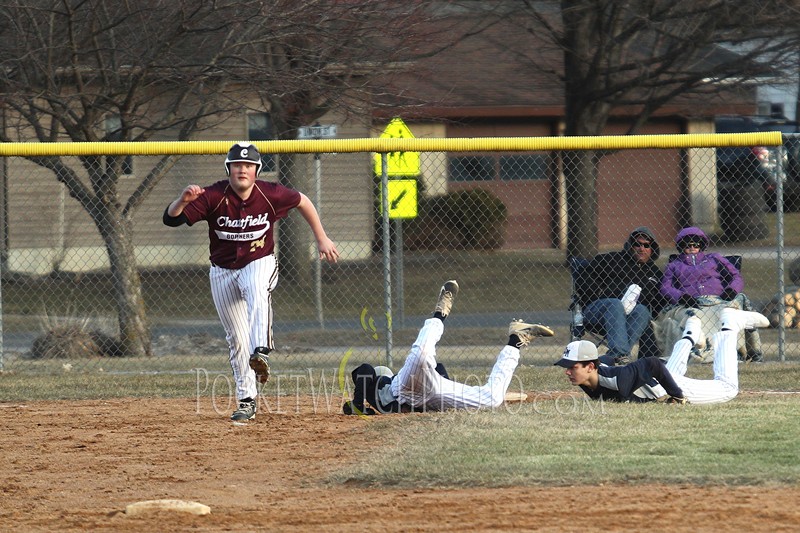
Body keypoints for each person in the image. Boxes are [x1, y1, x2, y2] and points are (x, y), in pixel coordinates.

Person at [163, 142, 340, 421]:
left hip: (260, 261)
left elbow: (303, 200)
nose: (242, 169)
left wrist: (321, 237)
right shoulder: (213, 195)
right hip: (222, 270)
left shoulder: (271, 193)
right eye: (237, 165)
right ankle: (247, 400)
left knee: (256, 288)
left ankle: (262, 350)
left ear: (256, 170)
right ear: (229, 169)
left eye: (248, 165)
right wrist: (182, 201)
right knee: (236, 340)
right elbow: (170, 220)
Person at [342, 280, 554, 415]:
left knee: (422, 354)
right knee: (493, 399)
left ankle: (440, 311)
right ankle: (516, 341)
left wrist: (358, 406)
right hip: (428, 397)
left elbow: (364, 371)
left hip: (408, 389)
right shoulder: (377, 395)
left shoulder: (385, 384)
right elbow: (363, 372)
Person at [555, 307, 770, 405]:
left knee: (728, 388)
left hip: (667, 383)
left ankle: (729, 325)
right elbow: (606, 360)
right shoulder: (588, 377)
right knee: (672, 369)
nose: (567, 371)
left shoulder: (620, 380)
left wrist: (677, 395)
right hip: (659, 378)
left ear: (590, 367)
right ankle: (692, 330)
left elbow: (651, 363)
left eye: (573, 366)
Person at [660, 226, 762, 362]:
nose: (692, 247)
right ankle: (703, 354)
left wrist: (731, 290)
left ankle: (745, 352)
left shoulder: (714, 258)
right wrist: (681, 296)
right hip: (692, 302)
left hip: (718, 299)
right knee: (694, 317)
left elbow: (736, 276)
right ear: (681, 246)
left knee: (727, 313)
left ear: (701, 245)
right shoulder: (674, 265)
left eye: (695, 244)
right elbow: (665, 287)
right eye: (687, 245)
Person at [575, 226, 666, 365]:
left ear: (652, 249)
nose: (641, 248)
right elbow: (583, 275)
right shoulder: (611, 259)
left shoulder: (655, 274)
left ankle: (617, 356)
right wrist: (598, 293)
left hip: (628, 317)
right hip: (597, 311)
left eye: (646, 245)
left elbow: (658, 301)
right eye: (637, 244)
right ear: (630, 245)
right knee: (615, 304)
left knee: (642, 311)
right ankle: (620, 353)